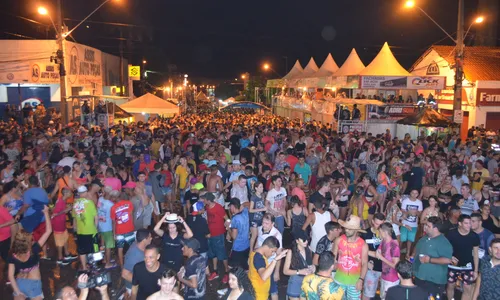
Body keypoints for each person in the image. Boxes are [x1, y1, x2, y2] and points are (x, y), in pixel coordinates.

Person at [8, 205, 52, 300]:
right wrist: (46, 213)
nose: (32, 238)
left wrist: (17, 292)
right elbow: (48, 231)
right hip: (33, 284)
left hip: (19, 283)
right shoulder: (34, 249)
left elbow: (10, 276)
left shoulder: (13, 254)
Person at [413, 216, 452, 297]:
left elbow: (447, 260)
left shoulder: (443, 242)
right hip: (419, 276)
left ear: (436, 229)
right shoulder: (424, 238)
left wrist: (430, 260)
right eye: (425, 225)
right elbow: (417, 249)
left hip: (433, 281)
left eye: (428, 226)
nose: (425, 227)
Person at [333, 215, 369, 300]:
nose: (346, 230)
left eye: (349, 229)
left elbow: (364, 264)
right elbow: (333, 258)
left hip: (355, 282)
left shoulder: (363, 245)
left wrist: (361, 280)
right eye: (345, 228)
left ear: (356, 230)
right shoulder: (338, 240)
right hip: (338, 280)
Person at [446, 214, 480, 300]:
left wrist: (476, 270)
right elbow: (444, 248)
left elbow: (476, 254)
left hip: (468, 266)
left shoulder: (474, 236)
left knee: (467, 289)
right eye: (466, 223)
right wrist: (449, 257)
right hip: (453, 265)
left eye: (470, 223)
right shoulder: (451, 234)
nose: (469, 225)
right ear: (460, 223)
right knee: (450, 286)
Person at [203, 192, 230, 283]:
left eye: (205, 199)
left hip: (218, 235)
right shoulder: (207, 207)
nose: (203, 200)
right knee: (212, 253)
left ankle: (227, 272)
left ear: (209, 200)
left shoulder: (218, 207)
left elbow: (226, 217)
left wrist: (228, 230)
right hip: (210, 234)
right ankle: (215, 271)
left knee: (222, 253)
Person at [72, 185, 99, 271]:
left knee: (82, 251)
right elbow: (96, 217)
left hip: (80, 231)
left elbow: (74, 218)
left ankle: (84, 267)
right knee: (94, 249)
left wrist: (75, 229)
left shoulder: (75, 204)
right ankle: (94, 266)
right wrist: (96, 227)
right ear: (85, 192)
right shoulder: (90, 203)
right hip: (91, 230)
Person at [360, 212, 385, 300]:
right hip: (371, 267)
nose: (378, 226)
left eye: (381, 224)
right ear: (372, 221)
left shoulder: (388, 233)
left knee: (385, 294)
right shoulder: (365, 233)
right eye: (377, 223)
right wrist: (366, 263)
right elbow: (360, 251)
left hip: (385, 267)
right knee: (367, 292)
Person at [283, 230, 315, 300]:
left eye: (307, 239)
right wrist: (299, 271)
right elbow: (285, 271)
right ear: (297, 241)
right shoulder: (291, 252)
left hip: (306, 281)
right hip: (295, 281)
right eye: (303, 240)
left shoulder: (308, 249)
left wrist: (313, 268)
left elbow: (311, 265)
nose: (306, 241)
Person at [122, 229, 153, 297]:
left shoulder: (138, 244)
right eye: (150, 237)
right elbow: (125, 274)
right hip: (134, 288)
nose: (151, 238)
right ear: (144, 240)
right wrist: (142, 282)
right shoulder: (134, 255)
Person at [110, 189, 135, 268]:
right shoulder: (129, 203)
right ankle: (133, 264)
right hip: (129, 229)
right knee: (132, 248)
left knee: (120, 249)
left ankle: (121, 266)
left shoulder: (113, 208)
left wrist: (114, 233)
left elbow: (114, 222)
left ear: (115, 198)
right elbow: (131, 216)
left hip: (119, 230)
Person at [51, 187, 77, 265]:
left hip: (61, 222)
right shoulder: (60, 201)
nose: (71, 194)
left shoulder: (63, 200)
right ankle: (60, 258)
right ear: (65, 193)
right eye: (70, 192)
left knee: (65, 237)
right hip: (58, 223)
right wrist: (66, 210)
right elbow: (55, 213)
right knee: (59, 241)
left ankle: (67, 253)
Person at [376, 222, 400, 300]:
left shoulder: (394, 245)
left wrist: (381, 258)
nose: (379, 234)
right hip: (384, 276)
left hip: (392, 279)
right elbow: (377, 253)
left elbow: (396, 266)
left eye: (380, 232)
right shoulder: (383, 241)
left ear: (385, 232)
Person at [228, 198, 250, 270]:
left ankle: (235, 280)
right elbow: (248, 203)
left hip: (238, 247)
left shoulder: (235, 219)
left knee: (231, 267)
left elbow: (234, 236)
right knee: (245, 266)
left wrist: (228, 227)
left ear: (233, 207)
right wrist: (243, 205)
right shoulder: (245, 212)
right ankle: (246, 280)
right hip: (246, 245)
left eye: (230, 206)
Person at [400, 190, 423, 255]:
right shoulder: (405, 201)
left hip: (414, 224)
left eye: (416, 193)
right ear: (410, 193)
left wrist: (415, 212)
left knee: (410, 240)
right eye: (413, 193)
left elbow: (420, 214)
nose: (414, 194)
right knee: (402, 239)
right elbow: (402, 212)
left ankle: (407, 253)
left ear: (418, 194)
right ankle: (397, 252)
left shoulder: (419, 202)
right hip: (404, 223)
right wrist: (409, 212)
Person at [249, 181, 267, 252]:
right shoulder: (254, 197)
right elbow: (250, 210)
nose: (262, 188)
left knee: (259, 235)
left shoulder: (262, 196)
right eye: (260, 187)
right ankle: (250, 250)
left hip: (260, 218)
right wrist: (262, 209)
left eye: (262, 186)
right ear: (256, 188)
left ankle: (256, 249)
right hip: (254, 219)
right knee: (254, 235)